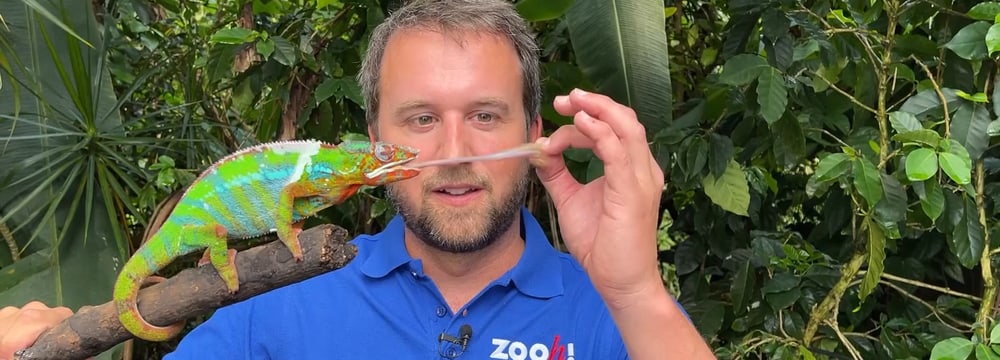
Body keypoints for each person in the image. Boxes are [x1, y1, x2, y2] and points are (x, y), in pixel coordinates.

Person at [0, 0, 715, 358]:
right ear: (376, 143)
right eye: (421, 119)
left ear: (534, 138)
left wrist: (635, 290)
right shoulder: (281, 290)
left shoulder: (615, 316)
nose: (455, 151)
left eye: (488, 116)